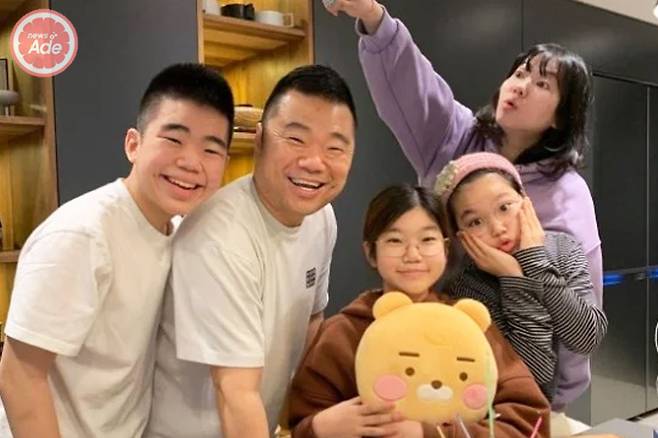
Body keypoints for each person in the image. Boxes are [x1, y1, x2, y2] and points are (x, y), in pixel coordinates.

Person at [324, 0, 602, 416]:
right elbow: (414, 87)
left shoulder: (568, 195)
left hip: (531, 384)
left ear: (562, 117)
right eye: (520, 73)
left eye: (542, 84)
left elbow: (582, 317)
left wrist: (553, 396)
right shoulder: (457, 137)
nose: (521, 86)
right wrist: (374, 19)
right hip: (436, 356)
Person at [0, 63, 235, 438]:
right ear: (133, 145)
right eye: (174, 140)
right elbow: (20, 374)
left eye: (210, 149)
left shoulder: (179, 233)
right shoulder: (82, 235)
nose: (191, 163)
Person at [145, 64, 357, 438]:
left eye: (335, 148)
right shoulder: (219, 236)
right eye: (296, 139)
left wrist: (304, 417)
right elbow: (235, 395)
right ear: (259, 139)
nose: (314, 162)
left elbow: (311, 319)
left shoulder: (321, 218)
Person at [288, 183, 551, 438]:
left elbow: (531, 422)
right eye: (395, 240)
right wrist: (319, 427)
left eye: (427, 239)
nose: (412, 255)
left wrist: (432, 434)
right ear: (371, 252)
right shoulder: (343, 333)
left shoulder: (468, 327)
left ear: (445, 248)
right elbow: (300, 423)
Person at [435, 152, 607, 434]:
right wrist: (513, 279)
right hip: (496, 422)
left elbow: (586, 338)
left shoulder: (562, 248)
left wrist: (534, 261)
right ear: (460, 236)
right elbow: (534, 378)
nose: (498, 228)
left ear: (526, 203)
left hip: (552, 414)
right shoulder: (465, 288)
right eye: (475, 222)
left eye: (504, 207)